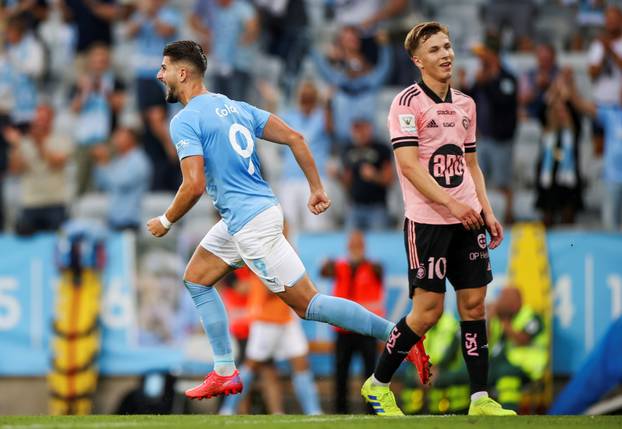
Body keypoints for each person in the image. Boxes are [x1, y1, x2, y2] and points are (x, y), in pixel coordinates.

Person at [147, 40, 422, 400]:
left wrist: (166, 221)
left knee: (309, 304)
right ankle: (224, 370)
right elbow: (295, 137)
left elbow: (194, 184)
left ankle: (399, 338)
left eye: (164, 67)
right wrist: (316, 188)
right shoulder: (235, 106)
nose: (159, 74)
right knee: (196, 279)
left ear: (181, 73)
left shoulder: (184, 120)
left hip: (249, 225)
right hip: (254, 212)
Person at [359, 22, 516, 417]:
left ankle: (480, 399)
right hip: (429, 221)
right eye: (434, 50)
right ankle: (378, 384)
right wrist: (453, 205)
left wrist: (486, 209)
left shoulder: (466, 104)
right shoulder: (406, 104)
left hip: (468, 218)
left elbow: (472, 164)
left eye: (447, 46)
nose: (445, 54)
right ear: (417, 60)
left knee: (475, 305)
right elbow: (409, 168)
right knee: (428, 312)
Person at [219, 265, 321, 415]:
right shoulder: (261, 259)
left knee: (301, 362)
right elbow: (270, 287)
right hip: (266, 318)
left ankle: (314, 411)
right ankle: (228, 408)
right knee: (251, 365)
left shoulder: (283, 254)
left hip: (287, 317)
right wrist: (291, 285)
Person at [320, 230, 384, 414]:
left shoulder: (374, 268)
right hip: (344, 331)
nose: (355, 248)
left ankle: (372, 410)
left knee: (370, 374)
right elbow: (324, 271)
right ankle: (340, 411)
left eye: (358, 244)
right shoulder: (340, 266)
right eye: (353, 244)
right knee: (341, 374)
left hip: (366, 331)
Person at [467, 33, 518, 225]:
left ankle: (506, 219)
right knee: (478, 183)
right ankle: (483, 219)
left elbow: (503, 102)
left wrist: (485, 83)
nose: (480, 57)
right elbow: (469, 101)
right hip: (482, 138)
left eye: (484, 53)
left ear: (493, 54)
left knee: (502, 183)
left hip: (501, 140)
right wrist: (470, 85)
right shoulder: (481, 77)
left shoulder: (508, 79)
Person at [6, 104, 72, 235]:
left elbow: (57, 163)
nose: (39, 122)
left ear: (51, 120)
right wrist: (15, 146)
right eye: (38, 119)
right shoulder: (23, 142)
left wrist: (39, 144)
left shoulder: (61, 140)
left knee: (59, 240)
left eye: (43, 119)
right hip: (31, 203)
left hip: (55, 202)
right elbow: (15, 169)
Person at [488, 287, 549, 412]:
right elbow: (487, 341)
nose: (501, 302)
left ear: (518, 300)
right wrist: (489, 318)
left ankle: (509, 412)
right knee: (476, 371)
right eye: (501, 298)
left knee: (506, 373)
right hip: (502, 362)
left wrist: (505, 322)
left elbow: (522, 340)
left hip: (527, 367)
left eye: (505, 298)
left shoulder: (532, 317)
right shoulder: (500, 318)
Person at [92, 127, 152, 232]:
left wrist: (104, 161)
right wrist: (101, 163)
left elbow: (120, 182)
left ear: (131, 139)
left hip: (130, 221)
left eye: (120, 136)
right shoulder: (118, 160)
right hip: (113, 221)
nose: (115, 139)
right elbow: (101, 183)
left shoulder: (139, 160)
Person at [340, 117, 393, 230]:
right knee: (351, 244)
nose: (358, 134)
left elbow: (389, 179)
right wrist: (339, 177)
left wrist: (375, 176)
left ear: (369, 129)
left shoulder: (381, 149)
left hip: (377, 207)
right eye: (356, 130)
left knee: (379, 243)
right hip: (354, 206)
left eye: (362, 129)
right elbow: (346, 182)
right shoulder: (347, 149)